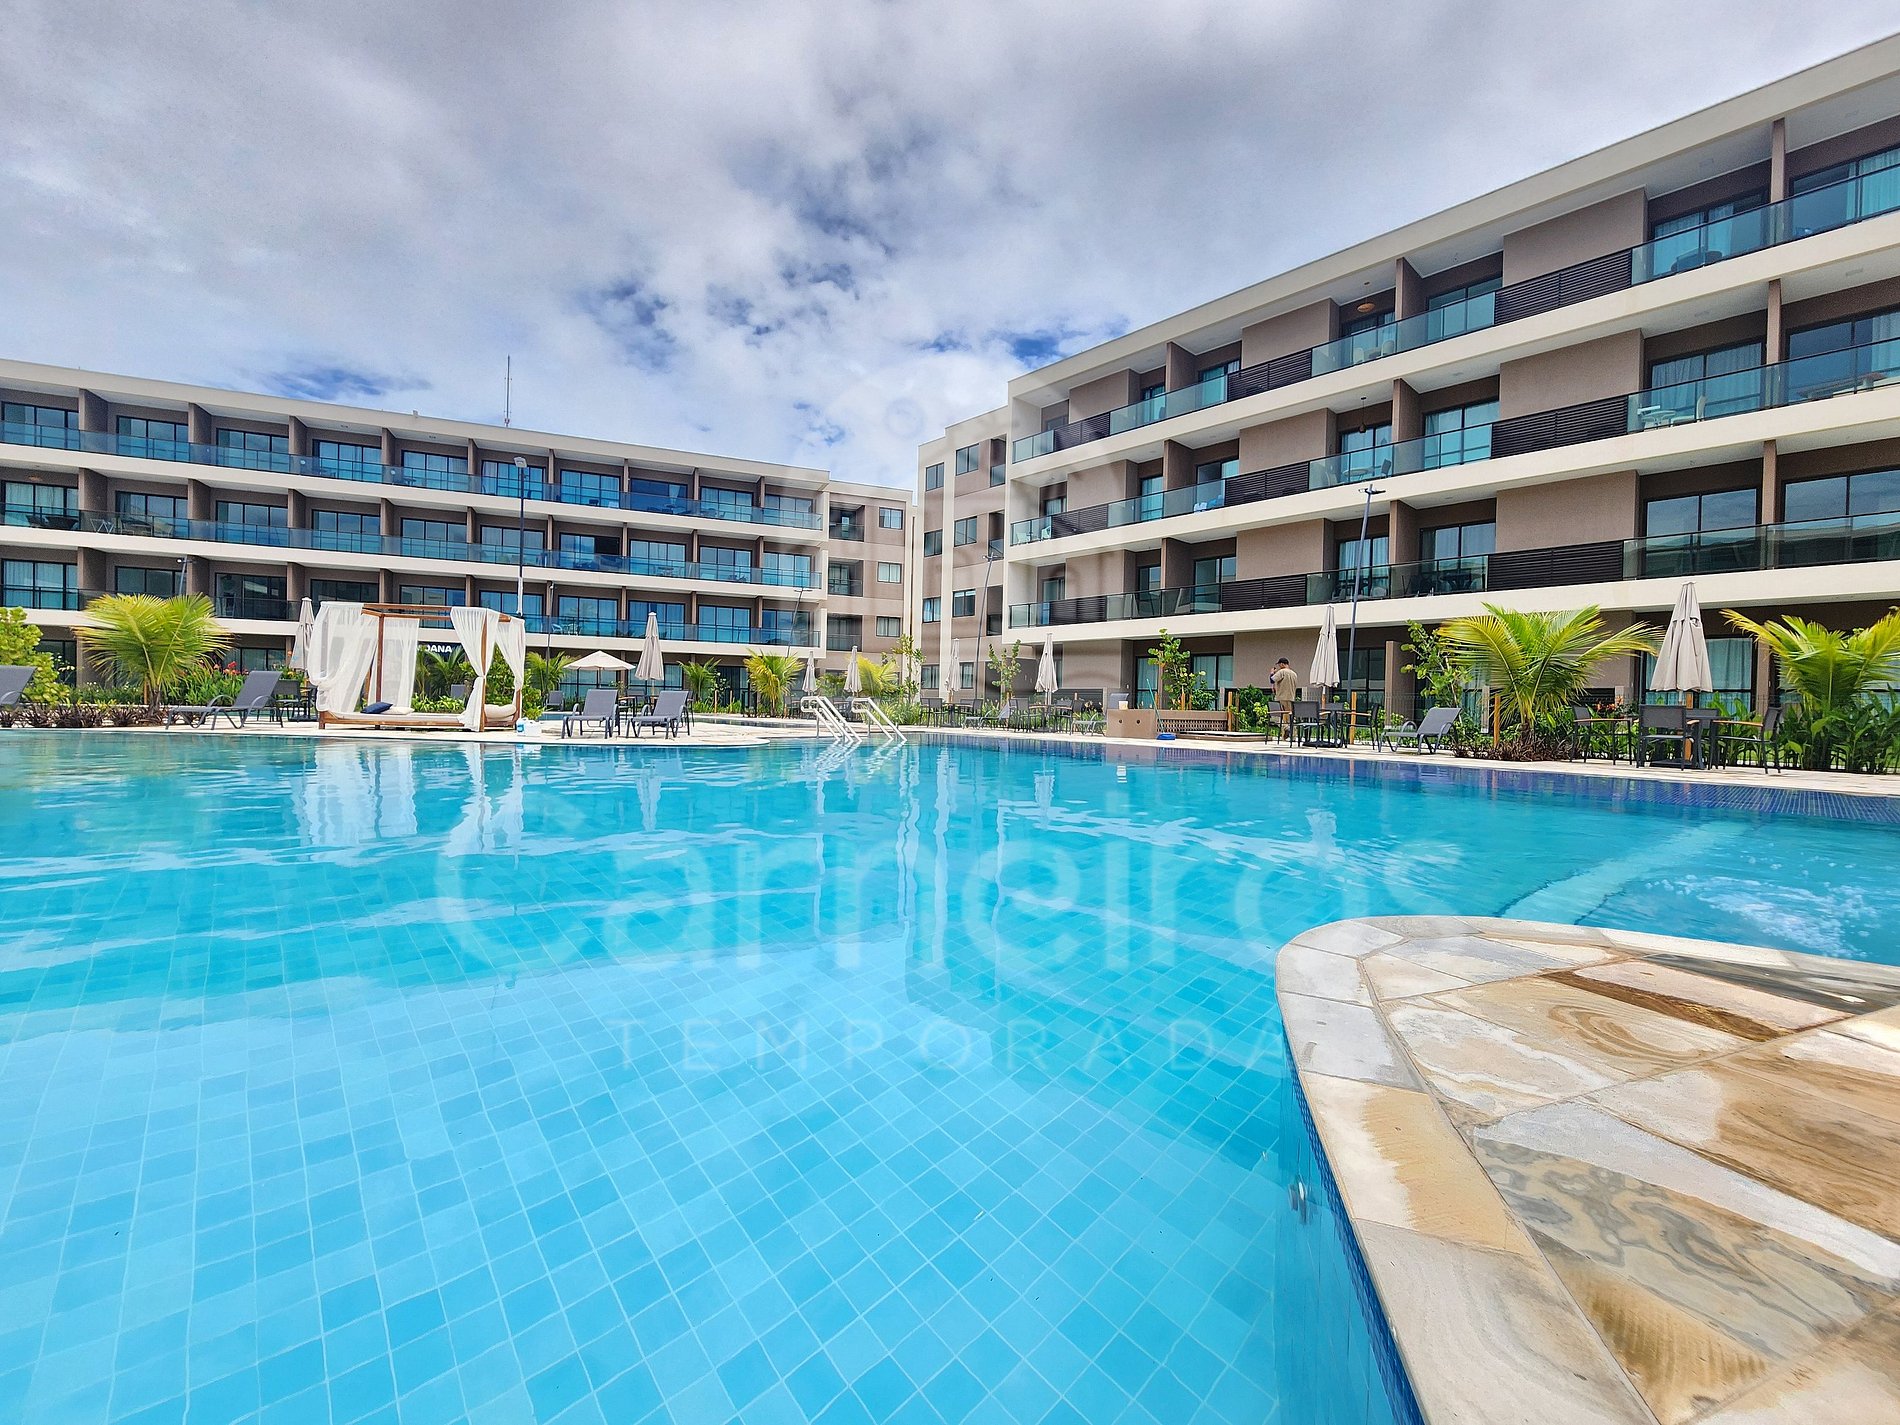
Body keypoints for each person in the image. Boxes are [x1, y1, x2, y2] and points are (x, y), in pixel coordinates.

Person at [1269, 658, 1298, 734]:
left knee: (1277, 716)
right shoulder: (1294, 674)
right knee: (1290, 716)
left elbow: (1272, 680)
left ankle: (1286, 728)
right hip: (1291, 698)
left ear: (1282, 664)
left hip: (1281, 698)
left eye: (1279, 664)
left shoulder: (1282, 672)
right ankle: (1293, 734)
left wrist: (1272, 673)